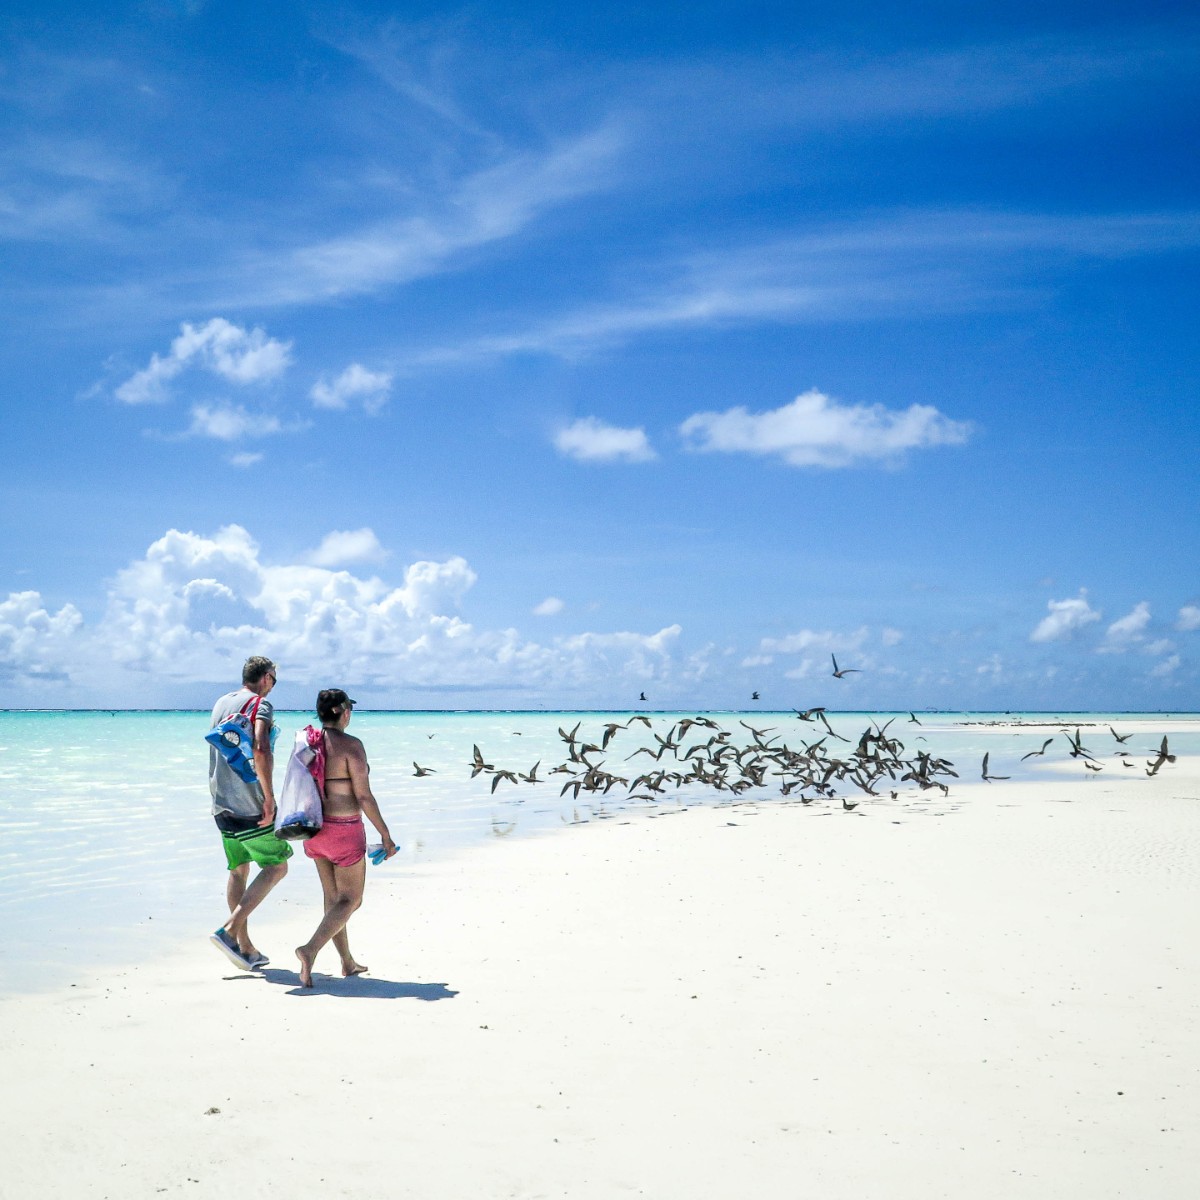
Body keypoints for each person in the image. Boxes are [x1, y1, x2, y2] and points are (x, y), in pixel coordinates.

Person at [295, 689, 397, 987]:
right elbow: (363, 796)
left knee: (333, 900)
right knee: (351, 900)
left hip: (314, 830)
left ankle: (347, 962)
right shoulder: (352, 746)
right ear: (342, 711)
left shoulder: (309, 742)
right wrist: (385, 835)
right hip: (344, 831)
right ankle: (309, 950)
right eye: (349, 709)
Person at [208, 655, 292, 970]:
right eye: (275, 679)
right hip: (248, 803)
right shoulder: (260, 704)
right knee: (277, 866)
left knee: (238, 869)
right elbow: (260, 748)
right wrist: (269, 799)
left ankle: (244, 947)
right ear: (267, 677)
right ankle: (229, 931)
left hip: (220, 801)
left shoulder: (221, 704)